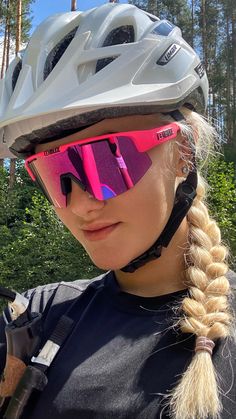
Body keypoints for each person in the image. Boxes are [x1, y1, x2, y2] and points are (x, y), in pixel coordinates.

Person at [0, 3, 235, 419]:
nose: (78, 204)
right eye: (54, 173)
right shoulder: (34, 320)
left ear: (183, 152)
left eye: (108, 160)